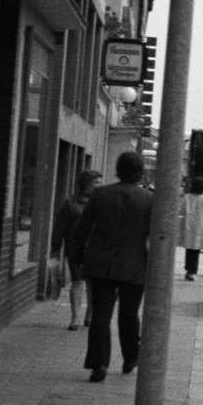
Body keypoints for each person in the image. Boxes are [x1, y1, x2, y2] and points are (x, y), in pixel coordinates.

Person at [67, 150, 152, 382]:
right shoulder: (149, 199)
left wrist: (76, 256)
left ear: (118, 170)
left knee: (101, 314)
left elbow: (82, 228)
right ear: (141, 172)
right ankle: (131, 357)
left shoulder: (101, 194)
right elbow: (156, 235)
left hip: (101, 264)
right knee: (129, 313)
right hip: (134, 265)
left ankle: (99, 363)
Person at [51, 170, 101, 329]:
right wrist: (55, 249)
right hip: (76, 248)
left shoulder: (102, 202)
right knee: (77, 281)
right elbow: (60, 227)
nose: (100, 185)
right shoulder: (70, 203)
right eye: (96, 182)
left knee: (93, 284)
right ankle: (75, 318)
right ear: (86, 184)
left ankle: (89, 315)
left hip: (96, 249)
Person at [180, 177, 203, 280]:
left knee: (189, 248)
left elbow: (182, 210)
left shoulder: (187, 197)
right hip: (200, 225)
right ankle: (192, 272)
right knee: (196, 249)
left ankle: (188, 269)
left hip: (188, 225)